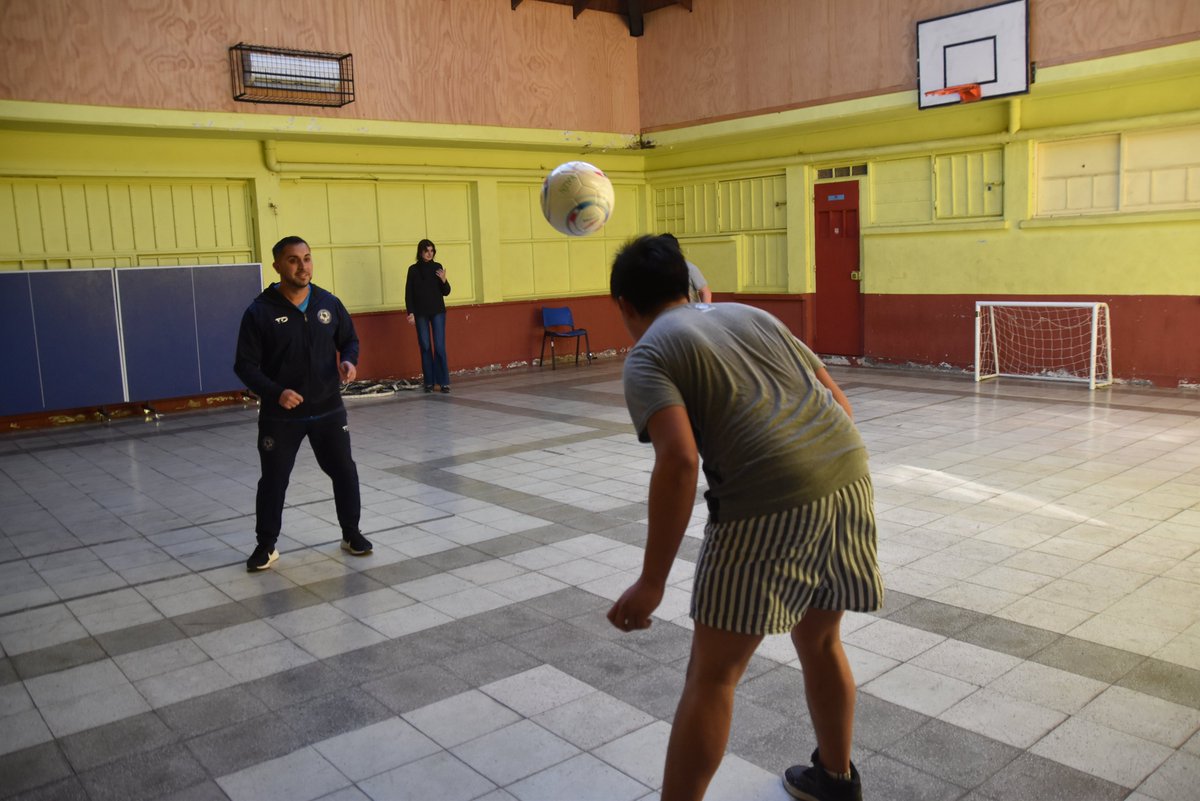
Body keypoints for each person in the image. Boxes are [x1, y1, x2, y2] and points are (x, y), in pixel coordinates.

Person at [606, 234, 882, 801]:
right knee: (821, 640)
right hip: (847, 474)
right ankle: (835, 780)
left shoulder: (650, 353)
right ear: (686, 286)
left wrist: (652, 581)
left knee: (712, 677)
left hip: (766, 501)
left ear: (625, 307)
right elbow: (841, 406)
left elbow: (680, 462)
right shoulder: (752, 315)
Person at [234, 236, 372, 572]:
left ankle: (351, 533)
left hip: (328, 409)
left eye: (307, 258)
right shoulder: (259, 312)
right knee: (274, 480)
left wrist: (349, 361)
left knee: (344, 471)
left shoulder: (328, 303)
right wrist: (276, 392)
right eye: (293, 260)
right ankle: (266, 546)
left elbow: (349, 340)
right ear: (278, 265)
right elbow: (245, 366)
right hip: (281, 417)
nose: (302, 266)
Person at [404, 239, 452, 393]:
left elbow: (446, 291)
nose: (429, 254)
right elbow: (408, 293)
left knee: (439, 346)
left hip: (438, 311)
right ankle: (429, 382)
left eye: (432, 251)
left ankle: (443, 382)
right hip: (420, 313)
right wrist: (410, 312)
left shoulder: (437, 267)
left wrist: (444, 280)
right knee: (425, 346)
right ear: (420, 252)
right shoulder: (413, 270)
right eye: (427, 251)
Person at [662, 233, 712, 303]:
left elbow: (705, 293)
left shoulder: (689, 268)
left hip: (690, 311)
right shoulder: (657, 270)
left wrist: (704, 312)